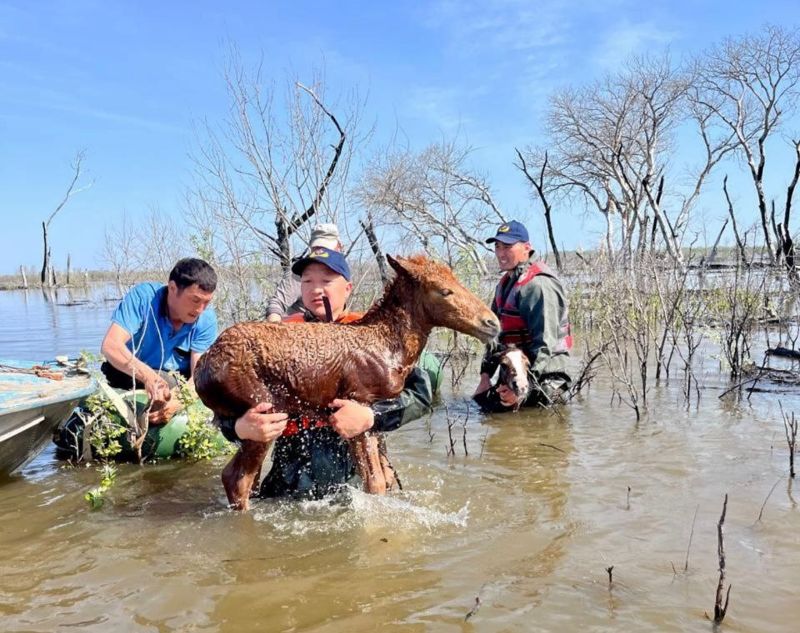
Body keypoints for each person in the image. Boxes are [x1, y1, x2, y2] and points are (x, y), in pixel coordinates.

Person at [218, 246, 439, 500]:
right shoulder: (278, 338)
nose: (315, 289)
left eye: (326, 280)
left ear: (348, 288)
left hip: (356, 477)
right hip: (291, 476)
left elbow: (421, 396)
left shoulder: (376, 334)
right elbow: (228, 404)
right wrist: (239, 427)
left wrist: (371, 416)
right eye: (307, 281)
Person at [99, 257, 219, 423]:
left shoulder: (206, 319)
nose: (200, 309)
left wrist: (180, 402)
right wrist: (149, 376)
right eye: (195, 300)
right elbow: (111, 345)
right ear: (172, 288)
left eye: (206, 302)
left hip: (175, 381)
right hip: (128, 371)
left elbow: (199, 375)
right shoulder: (143, 298)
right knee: (163, 381)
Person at [473, 220, 572, 412]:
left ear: (527, 248)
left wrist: (522, 388)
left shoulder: (538, 285)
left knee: (534, 425)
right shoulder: (504, 284)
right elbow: (494, 337)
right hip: (516, 373)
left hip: (545, 375)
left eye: (508, 246)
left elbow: (545, 346)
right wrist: (485, 376)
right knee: (481, 404)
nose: (501, 253)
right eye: (498, 246)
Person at [265, 223, 343, 323]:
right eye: (317, 247)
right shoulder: (298, 273)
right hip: (299, 331)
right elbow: (276, 305)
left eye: (326, 248)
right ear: (311, 247)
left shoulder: (340, 273)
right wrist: (274, 330)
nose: (321, 252)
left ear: (339, 247)